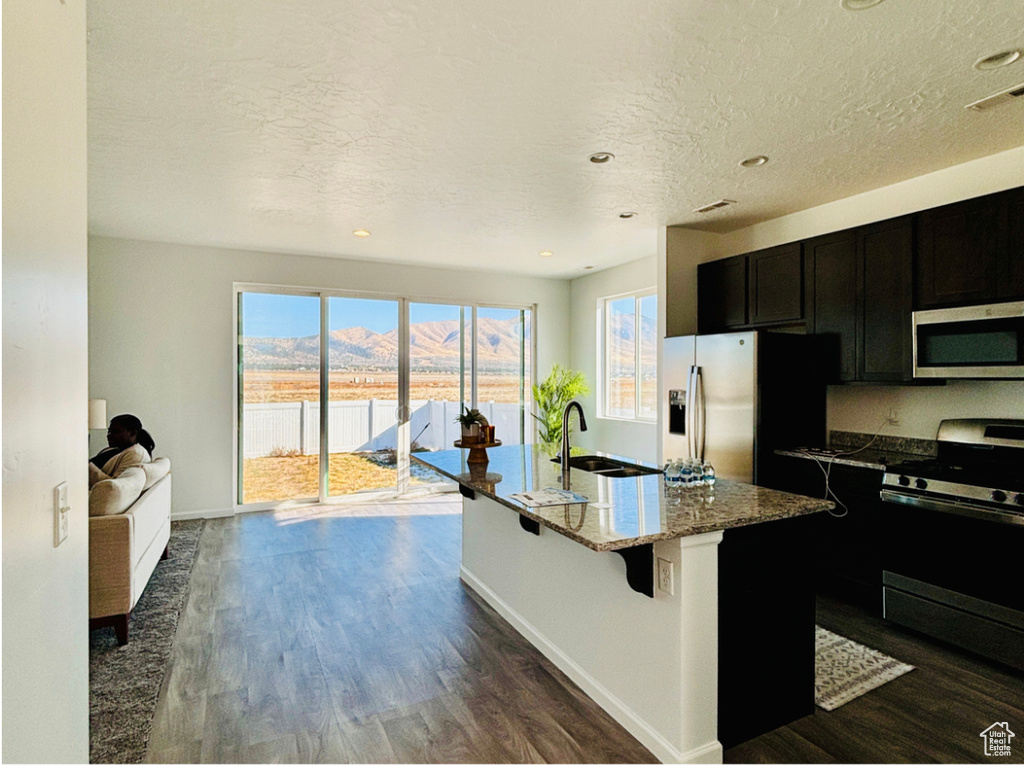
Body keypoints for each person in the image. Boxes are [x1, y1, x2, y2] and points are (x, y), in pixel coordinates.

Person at [89, 414, 155, 487]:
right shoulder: (117, 448)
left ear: (133, 433)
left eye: (115, 431)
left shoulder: (135, 454)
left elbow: (114, 486)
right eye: (109, 431)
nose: (109, 435)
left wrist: (87, 466)